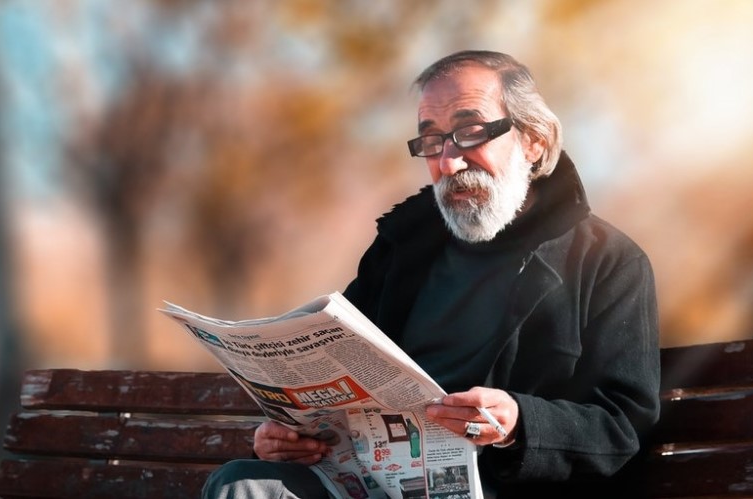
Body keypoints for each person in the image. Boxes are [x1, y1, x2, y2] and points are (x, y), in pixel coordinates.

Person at [203, 50, 660, 497]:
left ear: (533, 140)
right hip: (368, 480)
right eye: (432, 141)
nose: (448, 163)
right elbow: (332, 373)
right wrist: (284, 435)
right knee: (244, 483)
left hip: (500, 484)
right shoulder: (401, 248)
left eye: (470, 132)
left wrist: (518, 422)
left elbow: (622, 428)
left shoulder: (609, 262)